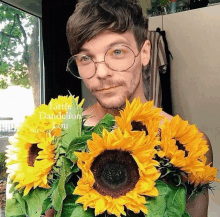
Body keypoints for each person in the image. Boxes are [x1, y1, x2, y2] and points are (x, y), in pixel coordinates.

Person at [45, 0, 213, 216]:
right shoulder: (54, 141)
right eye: (86, 58)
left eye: (116, 52)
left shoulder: (192, 147)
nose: (102, 72)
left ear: (145, 53)